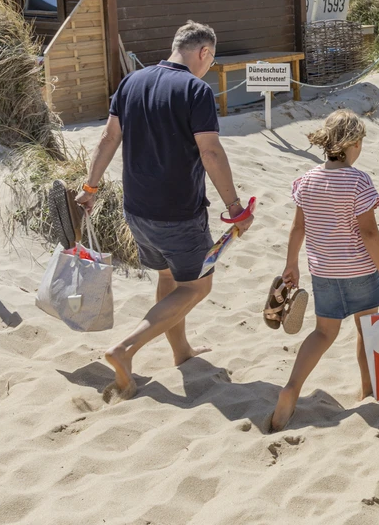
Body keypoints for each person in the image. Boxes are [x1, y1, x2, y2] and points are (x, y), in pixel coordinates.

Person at [77, 21, 254, 400]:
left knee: (168, 278)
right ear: (203, 52)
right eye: (211, 59)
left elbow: (108, 137)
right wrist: (235, 208)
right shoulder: (196, 89)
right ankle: (125, 349)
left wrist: (90, 187)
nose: (209, 66)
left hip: (136, 210)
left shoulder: (131, 82)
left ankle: (181, 351)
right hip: (179, 213)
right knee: (197, 286)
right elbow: (210, 152)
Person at [270, 109, 379, 431]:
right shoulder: (358, 181)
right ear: (354, 144)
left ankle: (291, 389)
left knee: (323, 333)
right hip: (360, 271)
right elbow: (369, 233)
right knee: (366, 330)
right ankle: (367, 390)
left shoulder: (307, 180)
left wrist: (291, 263)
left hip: (324, 273)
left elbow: (297, 228)